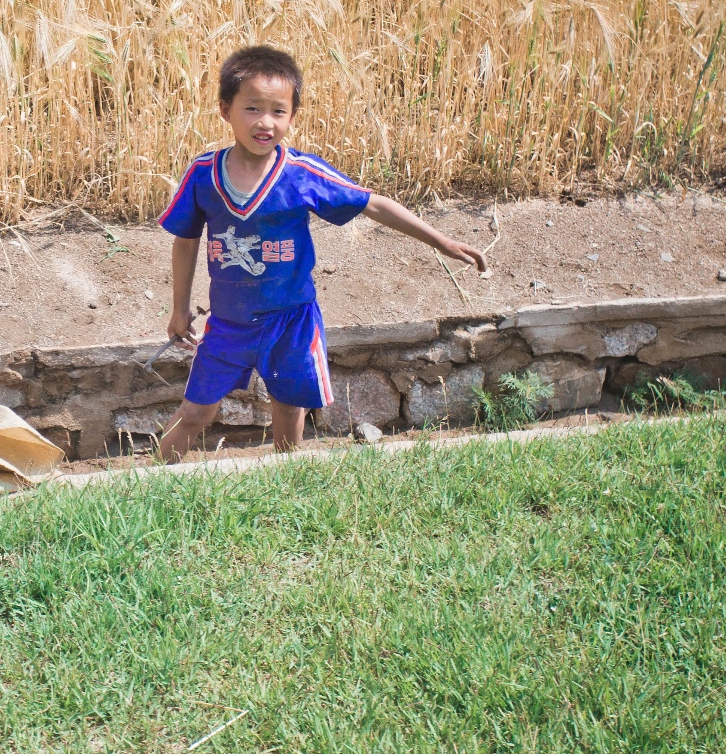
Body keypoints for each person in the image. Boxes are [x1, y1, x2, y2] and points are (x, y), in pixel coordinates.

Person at [154, 45, 489, 461]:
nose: (265, 122)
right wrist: (178, 309)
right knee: (195, 412)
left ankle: (287, 481)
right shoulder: (203, 174)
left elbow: (373, 203)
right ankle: (149, 478)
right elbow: (184, 240)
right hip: (228, 324)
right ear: (225, 110)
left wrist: (442, 240)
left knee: (288, 405)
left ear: (293, 116)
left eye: (279, 111)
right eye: (252, 108)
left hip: (292, 322)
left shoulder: (302, 174)